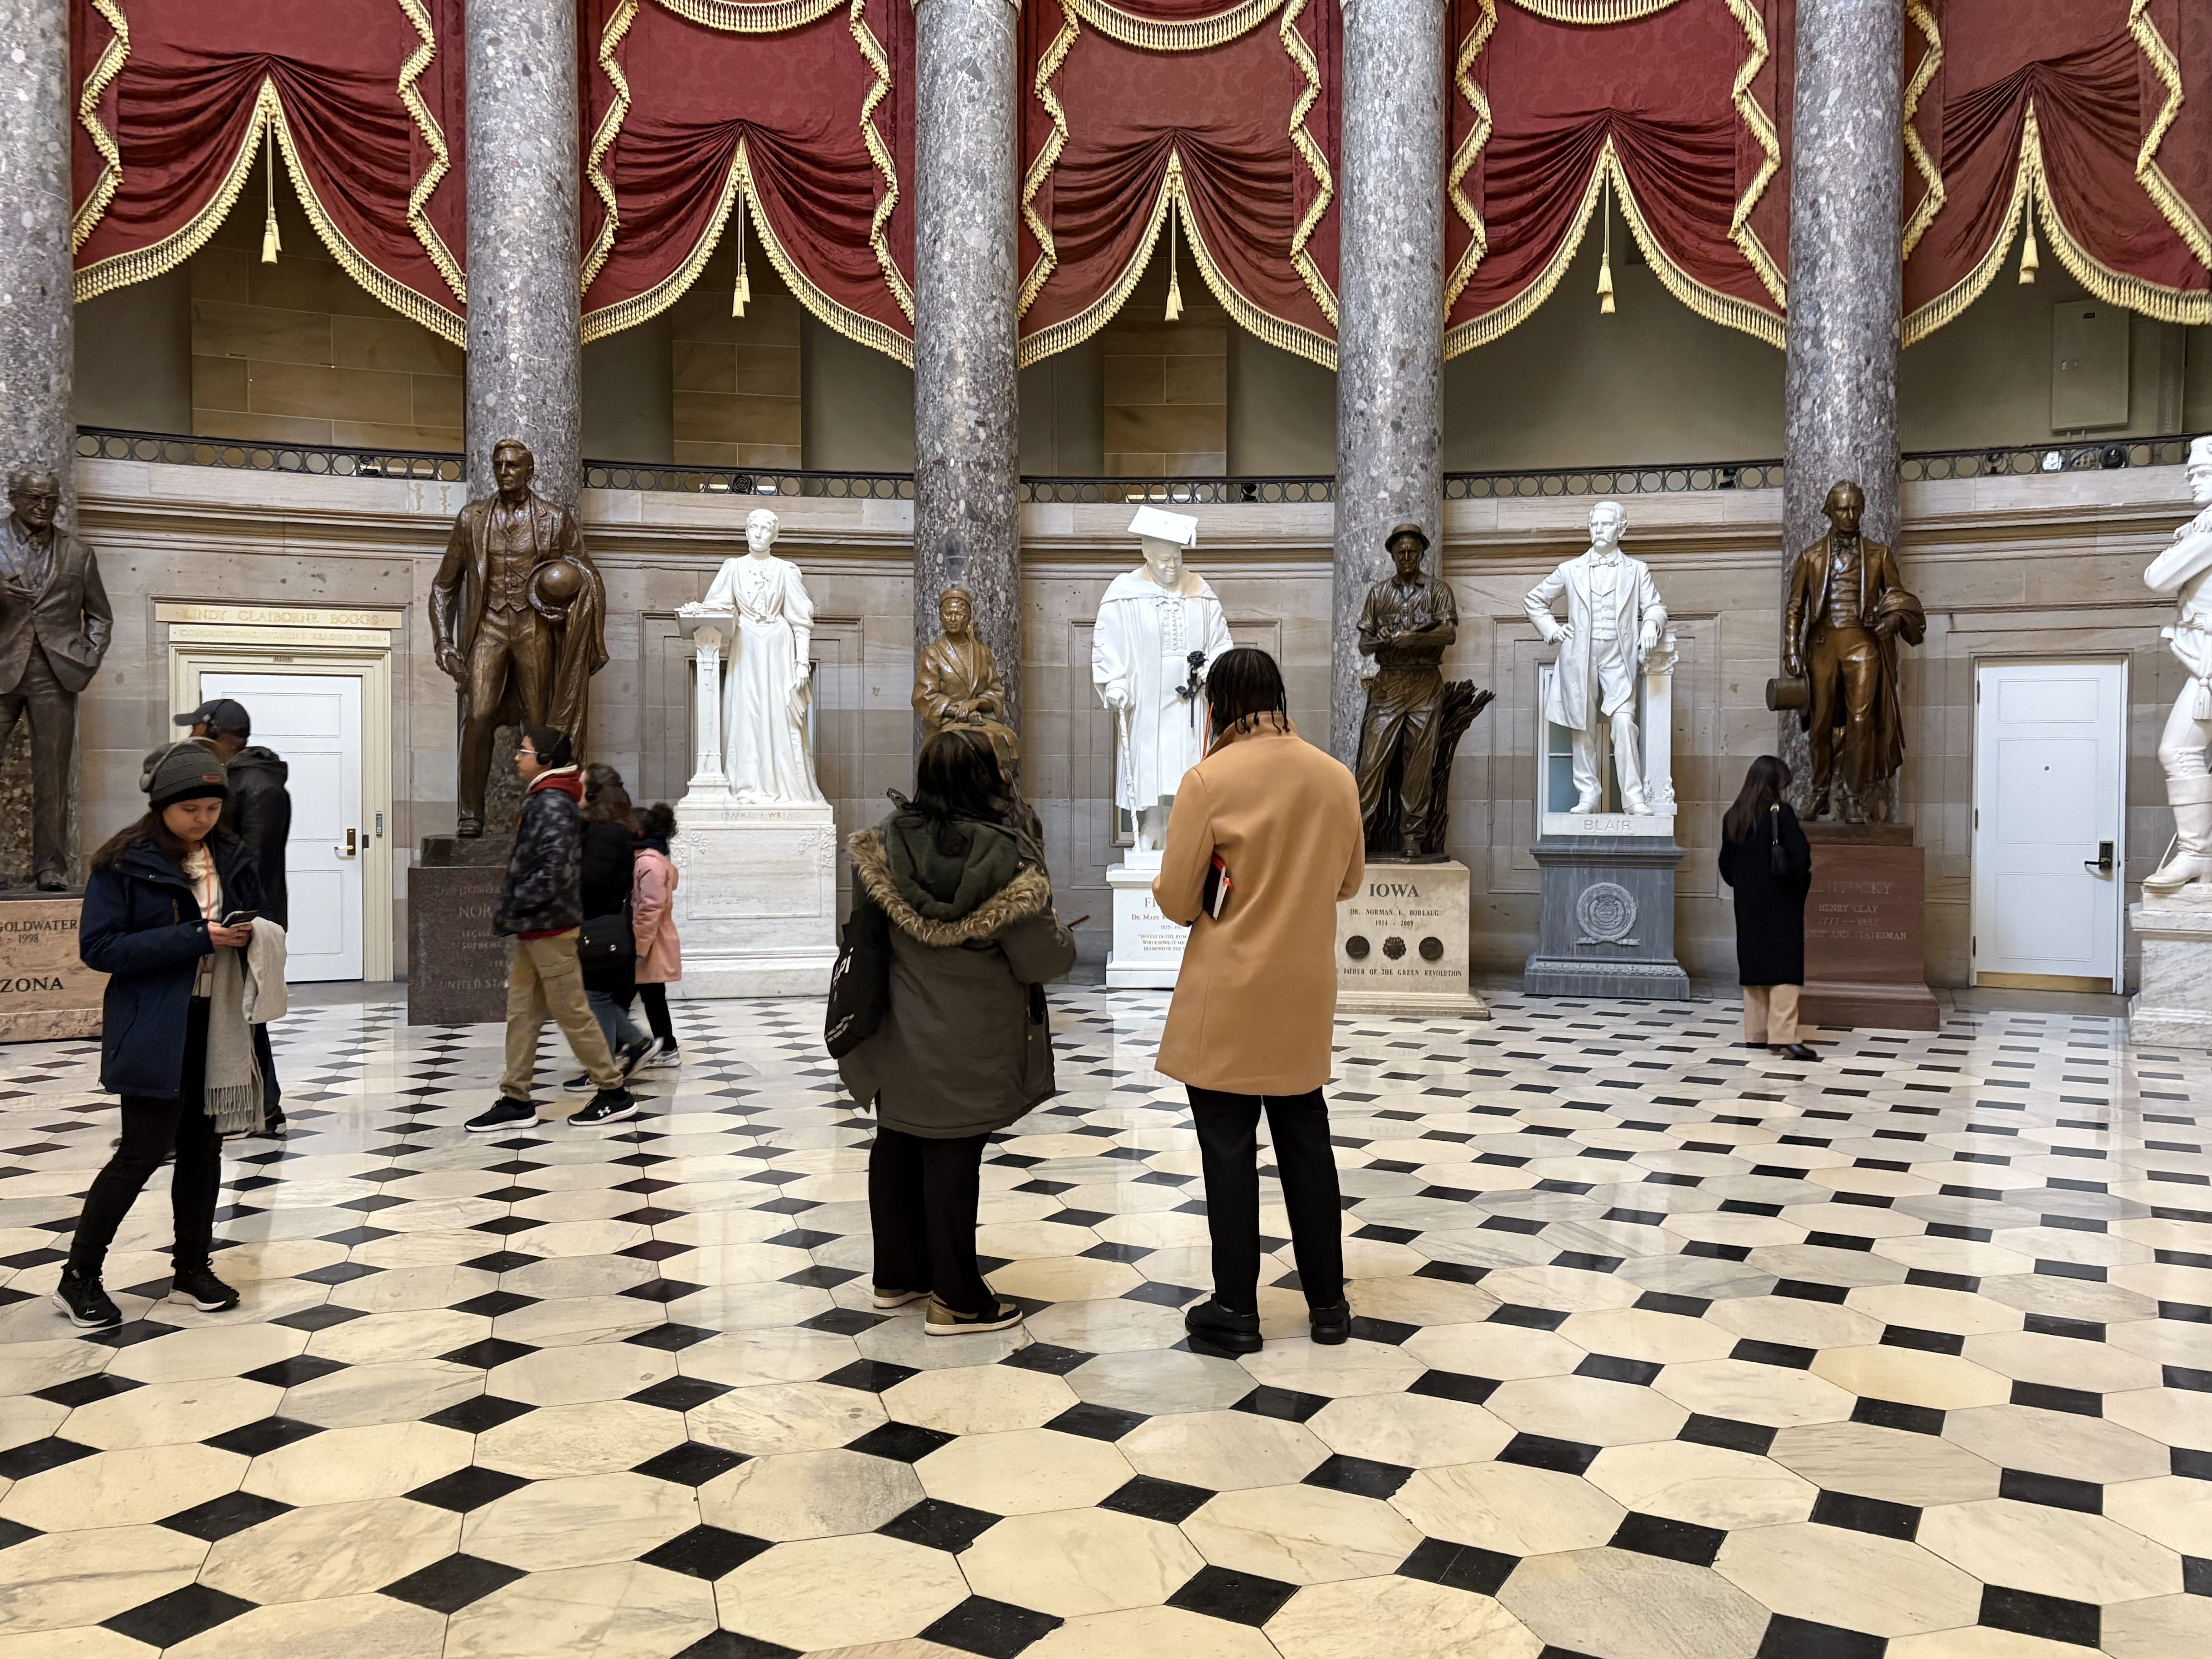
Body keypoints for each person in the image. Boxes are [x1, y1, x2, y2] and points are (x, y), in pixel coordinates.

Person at [1153, 647, 1364, 1353]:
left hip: (1229, 991)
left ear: (1217, 705)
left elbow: (1178, 902)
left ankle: (1237, 1310)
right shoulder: (1334, 778)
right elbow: (1348, 883)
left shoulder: (1208, 780)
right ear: (1278, 697)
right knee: (1307, 1143)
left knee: (1227, 1149)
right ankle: (1328, 1305)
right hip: (1302, 986)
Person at [838, 733, 1075, 1336]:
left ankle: (898, 1274)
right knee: (952, 1150)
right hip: (972, 1037)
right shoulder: (1007, 855)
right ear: (986, 779)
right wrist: (1058, 933)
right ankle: (958, 1299)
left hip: (896, 1031)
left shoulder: (884, 845)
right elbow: (1042, 961)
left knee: (895, 1142)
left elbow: (864, 937)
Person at [54, 742, 273, 1329]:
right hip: (153, 1023)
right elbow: (100, 949)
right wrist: (196, 938)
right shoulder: (123, 863)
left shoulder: (232, 855)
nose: (203, 819)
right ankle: (78, 1277)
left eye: (211, 807)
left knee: (205, 1149)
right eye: (191, 809)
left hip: (216, 1020)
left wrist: (252, 932)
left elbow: (257, 915)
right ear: (161, 807)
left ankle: (192, 1269)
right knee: (141, 1151)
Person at [467, 727, 638, 1133]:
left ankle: (614, 1093)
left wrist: (513, 902)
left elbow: (554, 871)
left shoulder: (552, 804)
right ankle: (516, 1098)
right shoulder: (546, 799)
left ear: (546, 760)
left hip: (549, 927)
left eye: (524, 752)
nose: (517, 758)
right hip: (535, 926)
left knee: (573, 1012)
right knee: (522, 1013)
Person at [177, 696, 292, 1136]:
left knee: (243, 1012)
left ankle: (263, 1108)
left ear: (216, 734)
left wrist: (237, 923)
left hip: (245, 922)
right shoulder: (234, 781)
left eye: (196, 729)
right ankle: (263, 1109)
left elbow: (253, 864)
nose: (190, 737)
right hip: (232, 920)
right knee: (237, 1013)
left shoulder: (259, 787)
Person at [0, 469, 113, 890]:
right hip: (2, 669)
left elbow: (100, 616)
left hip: (55, 674)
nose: (44, 507)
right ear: (14, 497)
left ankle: (50, 867)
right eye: (34, 499)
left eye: (51, 500)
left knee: (54, 778)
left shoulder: (78, 554)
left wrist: (88, 656)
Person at [1523, 501, 1667, 815]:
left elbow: (1655, 606)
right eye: (1594, 525)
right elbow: (1535, 600)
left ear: (1622, 529)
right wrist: (1552, 629)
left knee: (1625, 724)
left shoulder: (1637, 570)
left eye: (1606, 524)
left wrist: (1651, 625)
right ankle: (1588, 794)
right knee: (1582, 727)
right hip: (1581, 656)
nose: (1599, 530)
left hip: (1619, 656)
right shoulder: (1570, 569)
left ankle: (1633, 798)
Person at [1719, 755, 1816, 1061]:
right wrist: (1797, 888)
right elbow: (1801, 860)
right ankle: (1785, 1036)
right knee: (1784, 968)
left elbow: (1726, 866)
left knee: (1755, 966)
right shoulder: (1781, 813)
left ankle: (1757, 1035)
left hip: (1748, 905)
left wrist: (1747, 887)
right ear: (1775, 783)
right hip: (1781, 902)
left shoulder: (1734, 815)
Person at [568, 763, 652, 1084]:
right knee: (595, 997)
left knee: (596, 998)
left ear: (593, 792)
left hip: (598, 926)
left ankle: (607, 1064)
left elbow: (593, 881)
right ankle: (631, 1044)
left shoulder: (603, 831)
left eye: (582, 784)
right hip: (605, 924)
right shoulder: (614, 828)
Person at [631, 802, 683, 1067]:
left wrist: (639, 948)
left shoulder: (649, 863)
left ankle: (648, 1047)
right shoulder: (653, 860)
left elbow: (650, 907)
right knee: (651, 996)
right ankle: (664, 1046)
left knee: (629, 997)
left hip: (649, 942)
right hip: (652, 940)